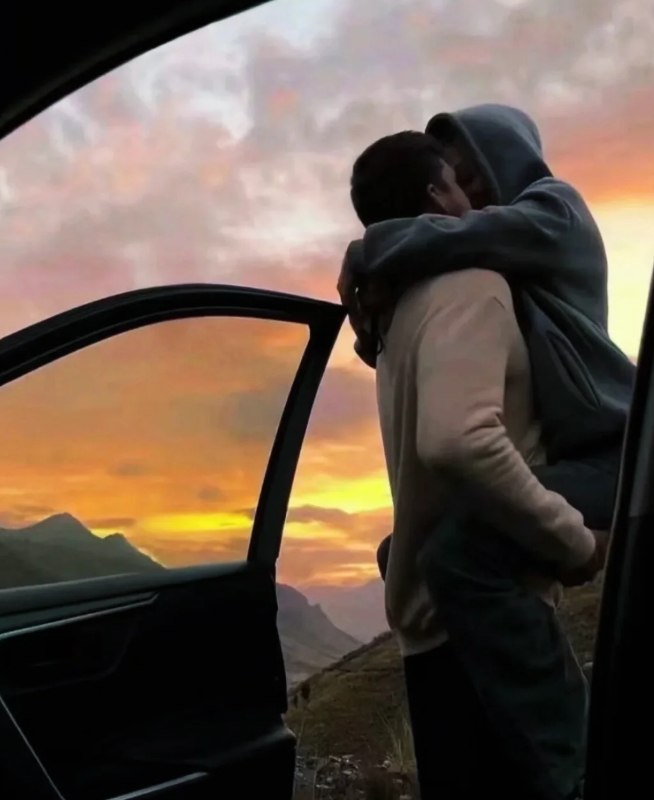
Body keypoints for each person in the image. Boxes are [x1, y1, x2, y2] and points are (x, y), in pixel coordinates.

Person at [343, 127, 618, 800]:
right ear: (437, 196)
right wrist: (573, 542)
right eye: (457, 182)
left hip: (431, 628)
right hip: (483, 621)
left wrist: (366, 258)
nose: (475, 199)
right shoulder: (470, 284)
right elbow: (458, 441)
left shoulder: (397, 313)